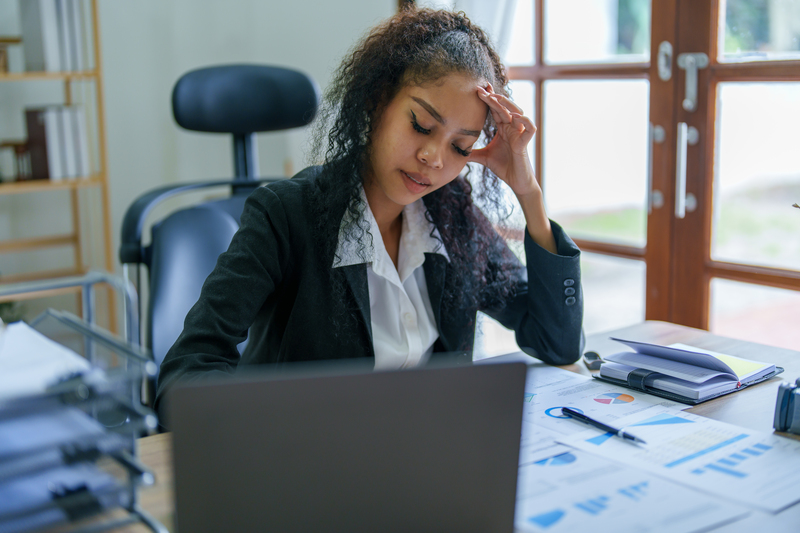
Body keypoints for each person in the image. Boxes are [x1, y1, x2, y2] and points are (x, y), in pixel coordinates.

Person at [154, 7, 583, 415]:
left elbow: (556, 341)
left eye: (460, 147)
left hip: (426, 464)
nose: (434, 157)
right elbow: (186, 373)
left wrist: (529, 194)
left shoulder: (452, 218)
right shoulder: (285, 215)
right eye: (420, 125)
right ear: (378, 102)